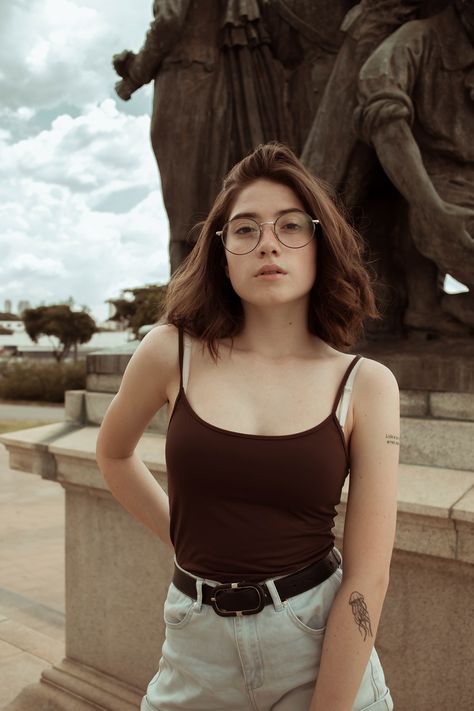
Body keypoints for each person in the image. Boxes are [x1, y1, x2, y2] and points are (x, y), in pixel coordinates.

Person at [96, 143, 399, 710]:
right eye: (245, 229)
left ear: (320, 244)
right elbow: (113, 454)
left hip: (317, 643)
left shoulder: (366, 384)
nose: (267, 243)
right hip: (194, 649)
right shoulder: (170, 352)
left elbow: (367, 577)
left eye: (290, 226)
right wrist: (188, 541)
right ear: (222, 252)